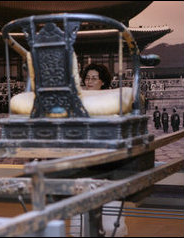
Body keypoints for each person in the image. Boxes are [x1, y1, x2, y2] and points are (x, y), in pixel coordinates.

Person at [74, 63, 128, 237]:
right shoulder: (78, 100)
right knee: (83, 204)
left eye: (94, 78)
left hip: (106, 159)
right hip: (83, 157)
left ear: (103, 82)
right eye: (87, 78)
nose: (89, 82)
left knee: (109, 206)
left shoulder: (111, 100)